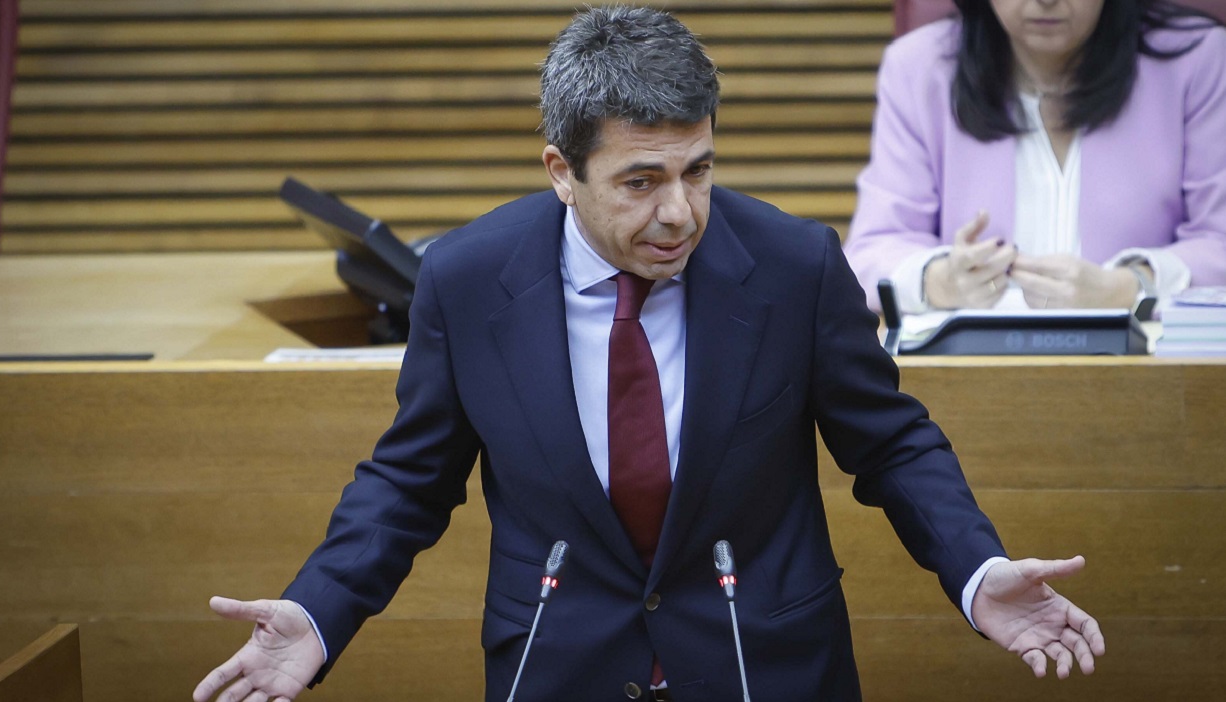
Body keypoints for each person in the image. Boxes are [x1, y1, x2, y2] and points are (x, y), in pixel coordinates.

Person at [193, 7, 1105, 702]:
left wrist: (978, 571)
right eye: (640, 181)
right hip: (556, 662)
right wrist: (319, 612)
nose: (679, 211)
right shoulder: (469, 281)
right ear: (562, 173)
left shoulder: (793, 266)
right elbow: (409, 480)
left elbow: (892, 444)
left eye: (697, 170)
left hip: (768, 663)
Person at [844, 0, 1226, 316]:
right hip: (972, 381)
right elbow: (871, 252)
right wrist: (941, 281)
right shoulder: (919, 67)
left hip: (1148, 379)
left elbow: (1219, 241)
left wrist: (1130, 287)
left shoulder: (1198, 59)